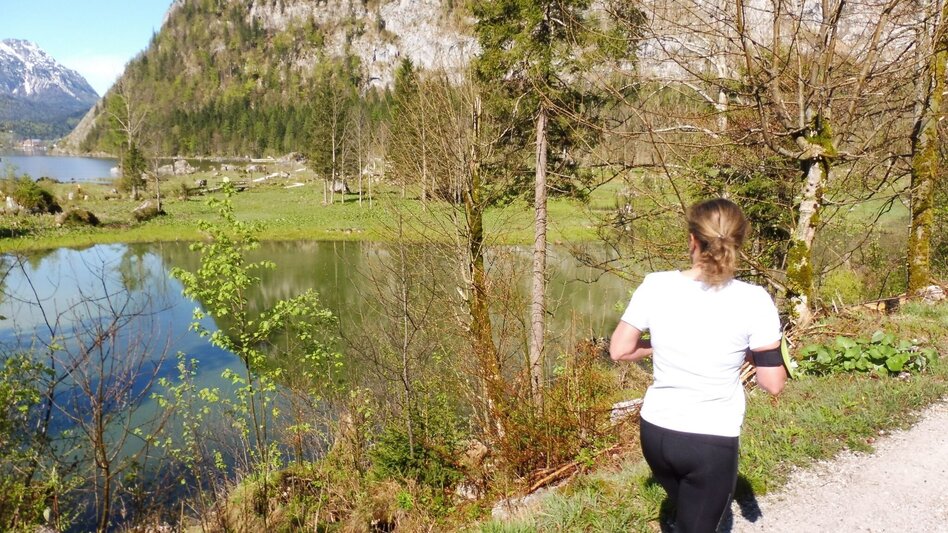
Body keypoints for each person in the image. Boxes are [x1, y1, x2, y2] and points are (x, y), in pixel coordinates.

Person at [609, 198, 787, 533]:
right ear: (738, 241)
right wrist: (757, 353)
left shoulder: (656, 284)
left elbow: (619, 350)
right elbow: (773, 383)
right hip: (709, 440)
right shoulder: (754, 300)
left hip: (656, 433)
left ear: (692, 239)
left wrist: (657, 345)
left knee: (686, 514)